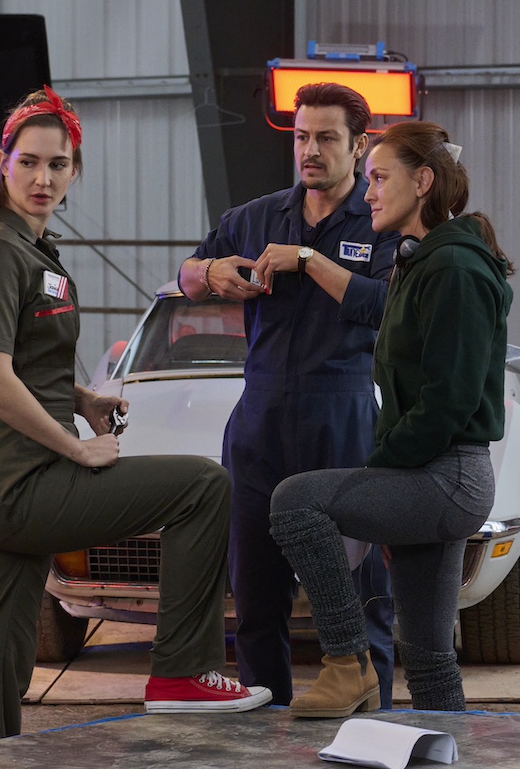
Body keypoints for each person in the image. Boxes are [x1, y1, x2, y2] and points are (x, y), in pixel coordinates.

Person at [0, 86, 271, 746]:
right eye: (28, 162)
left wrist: (81, 399)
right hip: (9, 479)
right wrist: (76, 445)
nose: (42, 177)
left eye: (57, 165)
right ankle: (180, 670)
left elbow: (22, 360)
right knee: (203, 487)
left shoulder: (30, 248)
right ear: (3, 161)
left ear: (74, 170)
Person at [268, 120, 515, 717]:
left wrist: (380, 471)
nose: (369, 192)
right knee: (428, 654)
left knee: (296, 501)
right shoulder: (421, 261)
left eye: (380, 178)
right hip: (435, 474)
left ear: (423, 181)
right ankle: (447, 745)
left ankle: (348, 665)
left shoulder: (453, 269)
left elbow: (449, 400)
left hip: (446, 479)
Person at [177, 82, 399, 708]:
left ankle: (370, 728)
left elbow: (386, 305)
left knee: (361, 598)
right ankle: (260, 729)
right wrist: (212, 273)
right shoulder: (256, 217)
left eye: (326, 138)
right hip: (260, 424)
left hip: (344, 420)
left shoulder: (380, 222)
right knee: (255, 600)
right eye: (302, 137)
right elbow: (187, 273)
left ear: (359, 147)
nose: (310, 151)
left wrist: (307, 258)